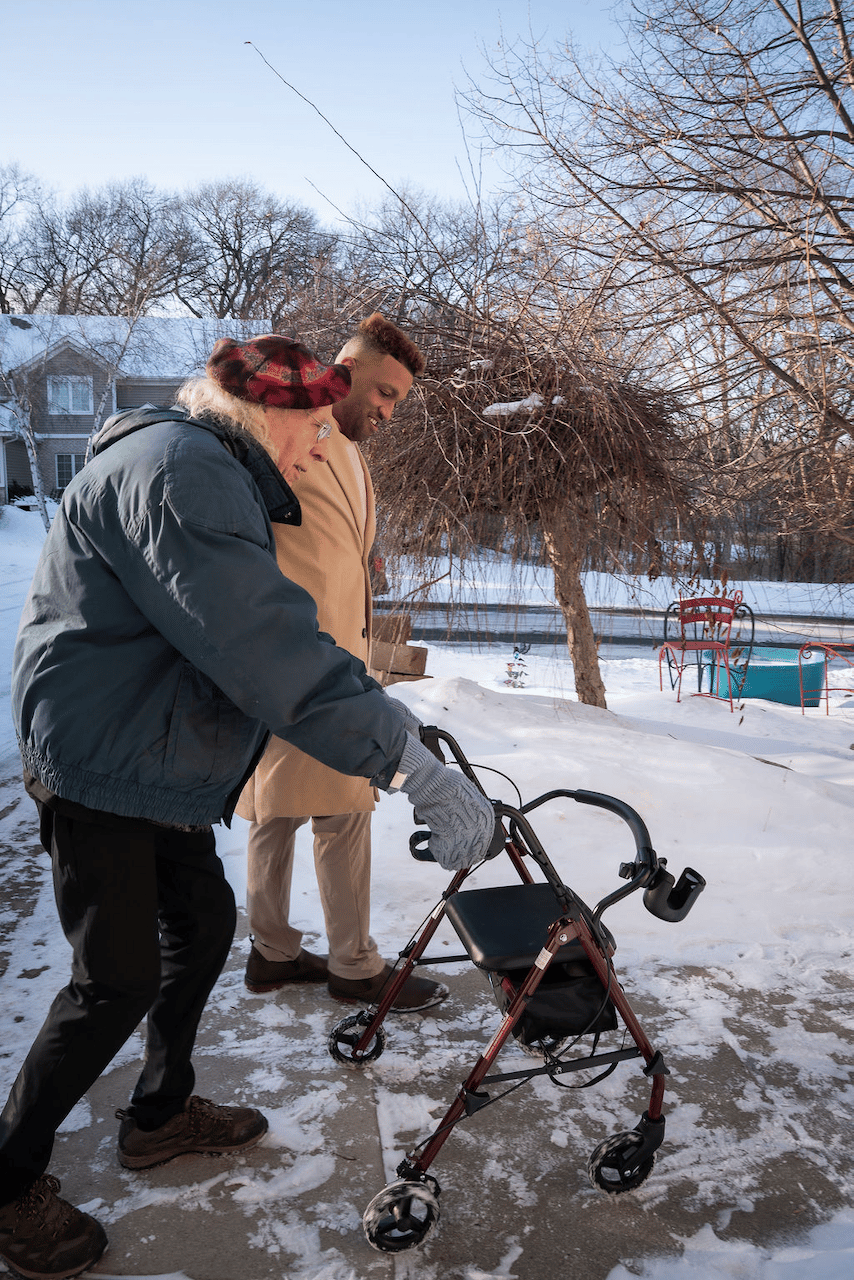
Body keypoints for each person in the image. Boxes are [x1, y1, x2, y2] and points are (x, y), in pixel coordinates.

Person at [0, 334, 495, 1280]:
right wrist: (411, 764)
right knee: (116, 977)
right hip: (102, 755)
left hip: (145, 746)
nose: (318, 454)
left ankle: (157, 1114)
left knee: (204, 923)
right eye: (315, 430)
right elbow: (264, 643)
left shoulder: (199, 463)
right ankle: (7, 1176)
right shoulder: (185, 474)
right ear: (271, 413)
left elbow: (271, 629)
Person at [238, 315, 444, 1012]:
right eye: (383, 393)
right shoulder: (291, 427)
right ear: (348, 369)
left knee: (279, 811)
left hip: (327, 661)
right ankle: (354, 966)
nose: (387, 411)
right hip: (303, 661)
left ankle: (271, 953)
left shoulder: (349, 446)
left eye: (396, 402)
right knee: (342, 810)